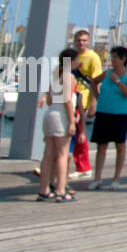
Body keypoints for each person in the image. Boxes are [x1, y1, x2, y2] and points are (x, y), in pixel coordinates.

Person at [88, 46, 127, 190]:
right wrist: (97, 98)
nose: (112, 60)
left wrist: (117, 81)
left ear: (123, 59)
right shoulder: (108, 72)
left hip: (121, 114)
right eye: (112, 57)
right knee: (101, 146)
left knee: (120, 145)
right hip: (104, 113)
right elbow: (93, 82)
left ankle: (116, 178)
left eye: (115, 57)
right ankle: (97, 178)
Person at [37, 48, 79, 202]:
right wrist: (72, 121)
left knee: (48, 155)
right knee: (62, 154)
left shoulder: (56, 75)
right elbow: (67, 99)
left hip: (50, 114)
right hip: (61, 116)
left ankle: (44, 189)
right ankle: (61, 190)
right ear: (72, 61)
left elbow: (49, 99)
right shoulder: (69, 76)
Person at [68, 29, 102, 181]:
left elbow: (96, 82)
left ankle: (83, 166)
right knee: (71, 132)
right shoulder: (71, 57)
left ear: (88, 41)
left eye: (84, 40)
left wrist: (93, 103)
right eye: (78, 40)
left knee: (78, 131)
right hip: (70, 96)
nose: (81, 43)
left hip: (83, 99)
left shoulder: (93, 57)